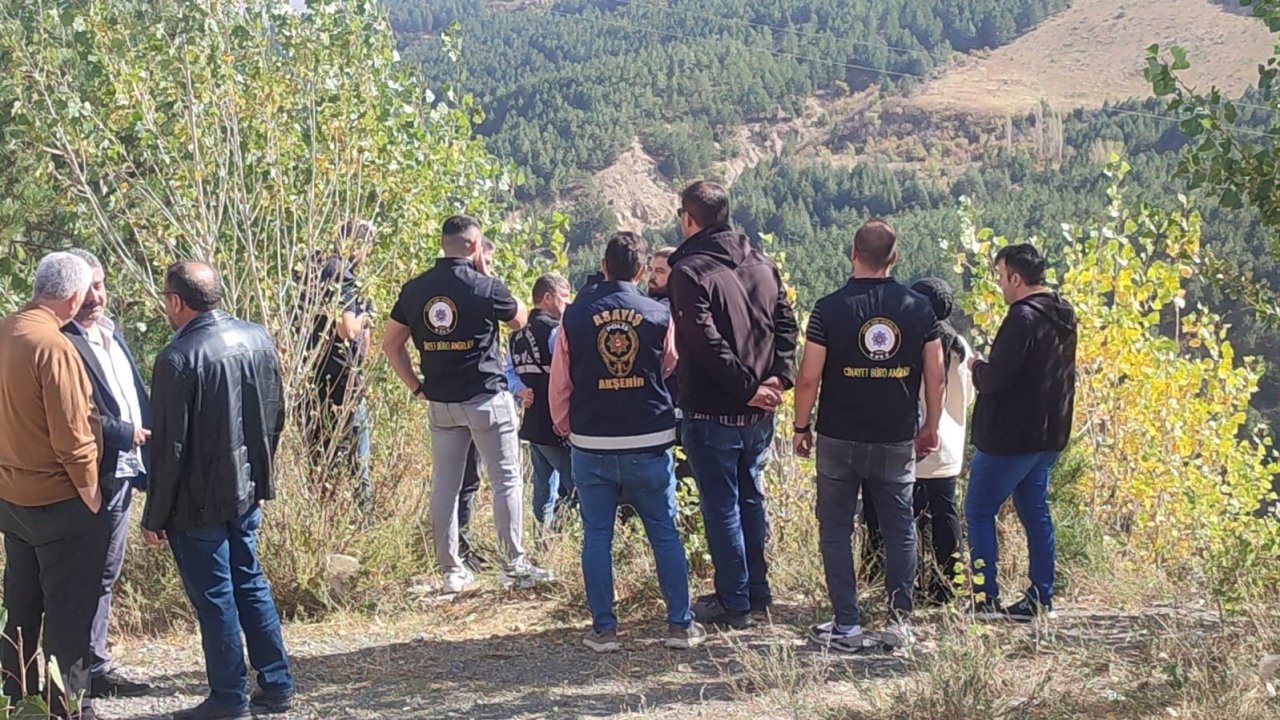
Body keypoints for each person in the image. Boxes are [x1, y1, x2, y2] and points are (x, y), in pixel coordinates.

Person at [142, 262, 294, 720]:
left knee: (216, 596)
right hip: (245, 486)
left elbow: (168, 447)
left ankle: (229, 697)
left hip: (196, 499)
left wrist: (155, 515)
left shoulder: (177, 357)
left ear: (176, 301)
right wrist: (259, 470)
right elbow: (276, 413)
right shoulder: (256, 337)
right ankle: (277, 682)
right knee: (249, 580)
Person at [549, 231, 706, 653]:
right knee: (664, 531)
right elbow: (670, 364)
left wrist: (566, 428)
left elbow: (560, 382)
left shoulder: (575, 316)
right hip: (648, 438)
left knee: (597, 534)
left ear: (603, 266)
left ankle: (604, 630)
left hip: (592, 440)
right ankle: (679, 625)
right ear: (640, 272)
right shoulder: (657, 313)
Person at [791, 219, 944, 651]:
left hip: (838, 436)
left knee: (836, 529)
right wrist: (930, 424)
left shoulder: (828, 309)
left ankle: (847, 625)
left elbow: (808, 377)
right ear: (894, 258)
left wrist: (801, 426)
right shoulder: (919, 309)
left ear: (852, 253)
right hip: (896, 436)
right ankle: (898, 623)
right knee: (900, 529)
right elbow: (935, 375)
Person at [383, 214, 551, 594]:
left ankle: (451, 572)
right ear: (475, 246)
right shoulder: (486, 287)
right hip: (486, 399)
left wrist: (416, 387)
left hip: (441, 403)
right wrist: (487, 272)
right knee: (506, 479)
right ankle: (515, 565)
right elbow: (521, 320)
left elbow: (390, 345)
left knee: (446, 485)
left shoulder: (415, 289)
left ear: (444, 244)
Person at [667, 181, 798, 628]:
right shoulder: (762, 261)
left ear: (689, 218)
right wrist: (777, 377)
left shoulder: (687, 270)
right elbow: (786, 321)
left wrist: (747, 387)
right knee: (751, 498)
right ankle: (756, 592)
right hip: (760, 408)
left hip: (714, 408)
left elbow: (702, 342)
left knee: (722, 504)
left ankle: (734, 600)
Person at [0, 252, 104, 720]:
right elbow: (73, 436)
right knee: (68, 619)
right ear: (74, 297)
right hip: (61, 501)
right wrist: (92, 493)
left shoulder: (7, 331)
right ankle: (66, 710)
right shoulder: (54, 347)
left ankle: (17, 702)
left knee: (20, 608)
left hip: (11, 497)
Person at [60, 249, 154, 699]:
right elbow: (75, 416)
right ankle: (77, 676)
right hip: (89, 475)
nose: (96, 296)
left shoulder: (112, 333)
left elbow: (132, 393)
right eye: (88, 288)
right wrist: (125, 433)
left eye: (100, 284)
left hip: (124, 471)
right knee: (86, 575)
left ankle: (94, 667)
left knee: (106, 572)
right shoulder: (62, 341)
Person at [966, 243, 1077, 622]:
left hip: (1010, 437)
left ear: (1016, 277)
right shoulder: (1063, 313)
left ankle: (984, 599)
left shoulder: (1022, 318)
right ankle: (1041, 596)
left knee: (979, 510)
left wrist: (977, 367)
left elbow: (997, 378)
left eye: (1000, 277)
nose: (1000, 285)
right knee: (1035, 511)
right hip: (1049, 434)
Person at [862, 277, 973, 605]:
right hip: (949, 446)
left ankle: (888, 581)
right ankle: (947, 587)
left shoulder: (915, 342)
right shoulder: (961, 345)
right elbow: (966, 396)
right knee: (945, 516)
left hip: (912, 442)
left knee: (889, 519)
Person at [302, 220, 375, 507]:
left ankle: (323, 517)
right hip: (342, 382)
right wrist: (366, 314)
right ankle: (362, 519)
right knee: (358, 460)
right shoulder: (343, 274)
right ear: (358, 245)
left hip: (314, 380)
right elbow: (348, 329)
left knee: (321, 459)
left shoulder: (312, 270)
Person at [509, 273, 574, 529]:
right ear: (547, 298)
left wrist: (520, 390)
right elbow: (566, 372)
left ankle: (542, 540)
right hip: (556, 423)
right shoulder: (555, 331)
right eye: (564, 296)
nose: (567, 303)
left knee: (543, 486)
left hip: (533, 420)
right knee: (575, 484)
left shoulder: (515, 334)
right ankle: (564, 535)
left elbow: (508, 371)